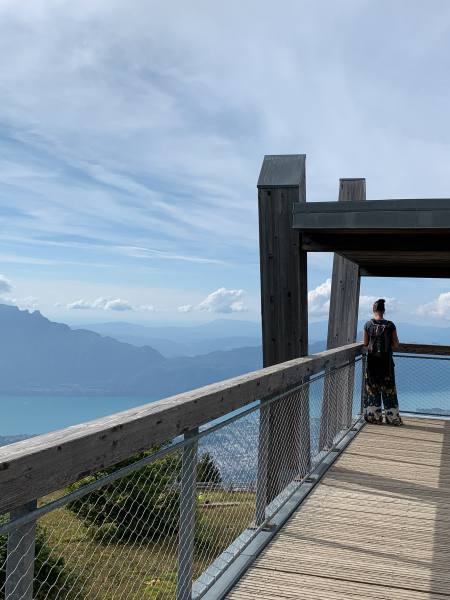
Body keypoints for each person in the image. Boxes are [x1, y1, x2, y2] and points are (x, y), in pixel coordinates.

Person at [363, 298, 403, 425]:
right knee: (389, 390)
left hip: (372, 364)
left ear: (373, 310)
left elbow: (365, 343)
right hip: (387, 364)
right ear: (384, 310)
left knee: (372, 391)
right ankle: (393, 418)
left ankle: (374, 417)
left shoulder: (368, 324)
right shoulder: (390, 325)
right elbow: (396, 344)